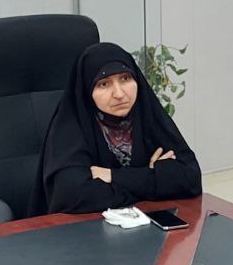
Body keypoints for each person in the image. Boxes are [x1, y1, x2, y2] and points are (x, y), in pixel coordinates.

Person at [36, 41, 201, 215]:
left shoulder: (147, 115)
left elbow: (191, 179)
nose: (119, 94)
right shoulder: (72, 126)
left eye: (125, 79)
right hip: (84, 228)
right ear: (87, 90)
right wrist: (154, 179)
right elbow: (72, 196)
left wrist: (113, 176)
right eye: (104, 84)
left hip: (144, 224)